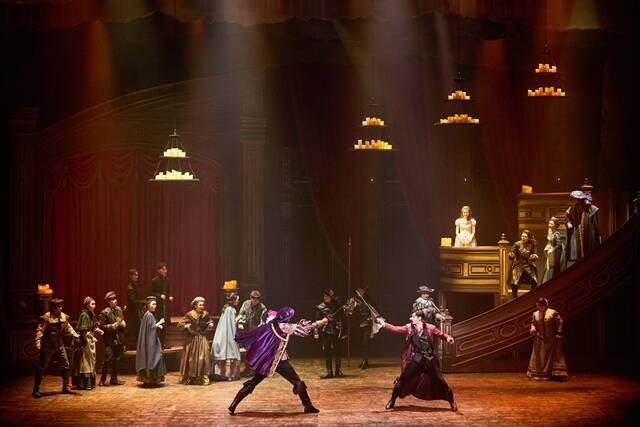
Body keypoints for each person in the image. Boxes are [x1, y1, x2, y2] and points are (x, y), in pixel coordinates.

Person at [228, 307, 329, 415]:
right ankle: (308, 406)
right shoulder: (286, 327)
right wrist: (323, 321)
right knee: (297, 382)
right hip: (281, 361)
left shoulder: (270, 325)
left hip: (267, 361)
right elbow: (305, 330)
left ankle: (234, 404)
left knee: (254, 381)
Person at [376, 311, 457, 411]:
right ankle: (392, 400)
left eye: (413, 317)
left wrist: (448, 337)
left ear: (419, 318)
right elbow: (395, 329)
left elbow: (441, 334)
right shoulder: (409, 327)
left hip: (430, 359)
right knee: (403, 379)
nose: (411, 318)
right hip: (417, 359)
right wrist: (383, 323)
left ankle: (451, 400)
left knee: (440, 380)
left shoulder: (430, 327)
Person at [32, 298, 80, 398]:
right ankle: (36, 389)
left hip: (59, 343)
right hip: (47, 344)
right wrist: (38, 342)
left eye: (61, 306)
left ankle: (66, 387)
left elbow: (68, 328)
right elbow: (40, 330)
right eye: (58, 307)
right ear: (53, 308)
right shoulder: (47, 317)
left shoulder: (63, 316)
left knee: (65, 364)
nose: (60, 308)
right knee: (42, 366)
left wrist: (75, 335)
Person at [527, 298, 568, 381]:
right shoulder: (535, 314)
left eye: (539, 305)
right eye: (537, 305)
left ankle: (554, 374)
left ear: (544, 305)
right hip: (540, 339)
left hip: (551, 339)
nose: (538, 307)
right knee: (540, 358)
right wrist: (533, 328)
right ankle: (538, 374)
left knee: (551, 357)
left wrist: (558, 332)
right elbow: (533, 323)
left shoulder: (552, 312)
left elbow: (560, 322)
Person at [178, 296, 214, 385]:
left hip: (202, 338)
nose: (202, 306)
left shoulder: (205, 314)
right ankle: (191, 376)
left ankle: (203, 377)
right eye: (200, 305)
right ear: (195, 306)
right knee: (192, 357)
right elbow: (180, 324)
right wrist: (186, 326)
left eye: (203, 305)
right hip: (192, 339)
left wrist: (210, 323)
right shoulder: (190, 314)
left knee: (204, 356)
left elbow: (210, 321)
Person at [72, 297, 103, 390]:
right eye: (92, 304)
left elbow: (93, 327)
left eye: (94, 304)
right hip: (84, 340)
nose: (94, 306)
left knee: (91, 360)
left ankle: (90, 382)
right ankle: (85, 383)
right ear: (87, 305)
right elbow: (84, 330)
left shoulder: (92, 314)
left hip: (90, 340)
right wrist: (91, 337)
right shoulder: (84, 315)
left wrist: (99, 331)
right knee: (85, 360)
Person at [135, 296, 166, 387]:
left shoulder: (147, 315)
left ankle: (151, 379)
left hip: (150, 339)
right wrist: (159, 322)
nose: (155, 306)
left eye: (155, 304)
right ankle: (151, 379)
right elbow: (151, 328)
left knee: (155, 356)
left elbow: (150, 327)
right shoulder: (149, 315)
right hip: (150, 341)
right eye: (153, 304)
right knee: (155, 356)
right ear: (148, 305)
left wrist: (157, 325)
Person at [315, 289, 345, 378]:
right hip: (326, 332)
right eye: (324, 296)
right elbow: (317, 321)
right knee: (327, 352)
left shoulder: (337, 306)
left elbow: (343, 318)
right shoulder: (321, 307)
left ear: (331, 297)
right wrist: (317, 331)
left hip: (336, 332)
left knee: (337, 351)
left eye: (327, 296)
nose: (325, 297)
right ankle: (329, 372)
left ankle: (338, 371)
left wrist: (343, 330)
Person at [211, 292, 241, 381]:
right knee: (230, 351)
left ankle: (224, 374)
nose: (238, 301)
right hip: (228, 334)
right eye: (237, 299)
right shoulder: (230, 310)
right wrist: (239, 318)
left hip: (224, 333)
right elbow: (231, 324)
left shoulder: (227, 309)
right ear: (233, 300)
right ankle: (230, 375)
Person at [565, 190, 600, 266]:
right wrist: (568, 222)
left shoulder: (589, 208)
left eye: (577, 199)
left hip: (587, 229)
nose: (576, 200)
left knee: (588, 246)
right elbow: (567, 217)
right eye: (575, 199)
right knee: (577, 248)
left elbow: (594, 217)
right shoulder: (572, 208)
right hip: (577, 229)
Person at [98, 291, 126, 386]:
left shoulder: (119, 310)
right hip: (109, 340)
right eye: (112, 300)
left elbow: (121, 320)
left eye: (115, 299)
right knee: (107, 359)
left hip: (119, 339)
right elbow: (101, 326)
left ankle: (114, 379)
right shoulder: (104, 312)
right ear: (108, 302)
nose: (115, 301)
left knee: (117, 359)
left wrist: (123, 323)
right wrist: (111, 326)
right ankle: (102, 379)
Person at [509, 230, 539, 298]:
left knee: (534, 281)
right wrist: (511, 254)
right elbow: (513, 252)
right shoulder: (517, 244)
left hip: (528, 265)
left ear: (528, 237)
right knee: (514, 281)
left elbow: (534, 253)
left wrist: (533, 256)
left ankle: (532, 296)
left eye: (525, 236)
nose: (523, 238)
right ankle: (514, 296)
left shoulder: (532, 244)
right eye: (522, 236)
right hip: (518, 264)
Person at [150, 262, 173, 349]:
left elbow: (169, 291)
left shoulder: (168, 280)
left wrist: (170, 296)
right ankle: (157, 344)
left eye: (165, 269)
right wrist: (159, 295)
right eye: (163, 269)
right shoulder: (154, 280)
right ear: (158, 270)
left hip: (165, 306)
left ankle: (163, 343)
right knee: (158, 325)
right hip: (158, 306)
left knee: (165, 325)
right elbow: (151, 292)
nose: (165, 271)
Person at [353, 286, 376, 369]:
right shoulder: (355, 300)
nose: (359, 292)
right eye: (357, 291)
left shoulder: (368, 300)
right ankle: (363, 360)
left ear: (363, 291)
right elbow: (351, 313)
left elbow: (375, 310)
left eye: (360, 291)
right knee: (360, 343)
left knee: (365, 343)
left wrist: (371, 318)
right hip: (358, 324)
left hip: (367, 324)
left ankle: (365, 361)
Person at [125, 268, 145, 348]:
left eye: (137, 275)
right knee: (130, 330)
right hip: (132, 313)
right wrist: (143, 302)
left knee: (137, 329)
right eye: (135, 275)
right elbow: (132, 302)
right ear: (131, 276)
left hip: (135, 312)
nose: (137, 277)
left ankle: (138, 346)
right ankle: (126, 346)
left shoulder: (134, 285)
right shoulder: (130, 287)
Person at [542, 217, 563, 283]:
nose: (549, 225)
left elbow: (559, 245)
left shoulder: (556, 234)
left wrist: (553, 249)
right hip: (550, 254)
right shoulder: (551, 233)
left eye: (551, 224)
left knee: (553, 269)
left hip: (555, 255)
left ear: (555, 225)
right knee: (548, 269)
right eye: (549, 223)